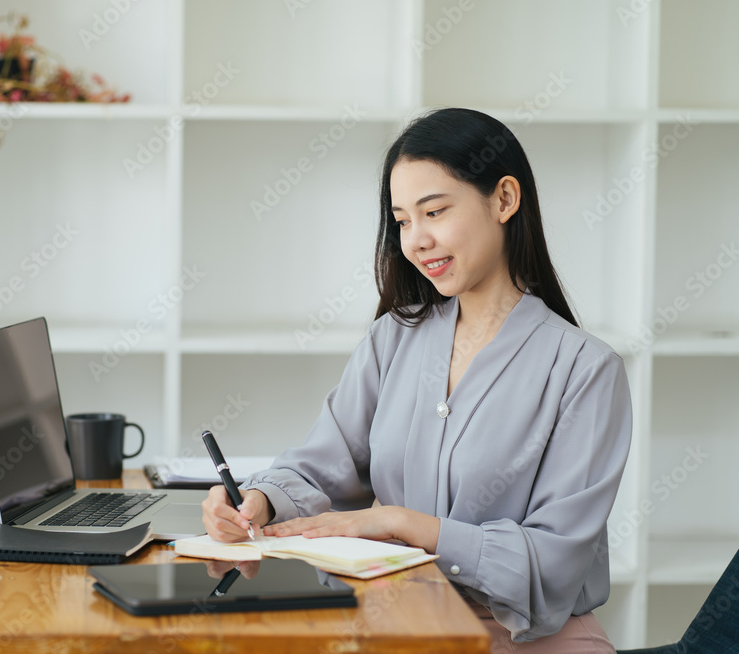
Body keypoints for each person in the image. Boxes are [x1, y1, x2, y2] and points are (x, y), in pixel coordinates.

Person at [201, 107, 632, 651]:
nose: (417, 240)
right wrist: (256, 501)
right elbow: (321, 465)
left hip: (523, 639)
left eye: (434, 212)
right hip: (396, 622)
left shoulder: (585, 371)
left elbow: (552, 561)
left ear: (504, 199)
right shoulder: (393, 339)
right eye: (403, 221)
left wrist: (404, 524)